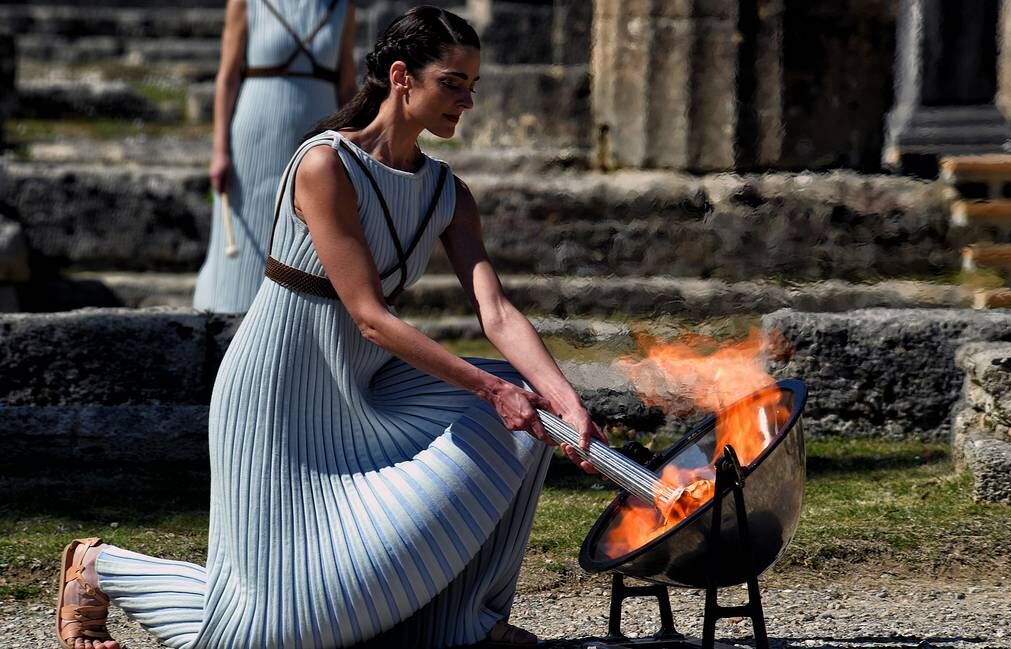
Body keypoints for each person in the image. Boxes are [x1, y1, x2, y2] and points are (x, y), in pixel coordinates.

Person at [55, 6, 606, 649]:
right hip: (277, 394)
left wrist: (564, 401)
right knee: (272, 629)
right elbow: (369, 318)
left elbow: (498, 313)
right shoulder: (325, 165)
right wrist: (493, 390)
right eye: (452, 83)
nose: (469, 100)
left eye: (472, 86)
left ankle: (458, 627)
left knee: (529, 418)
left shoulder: (450, 194)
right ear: (402, 77)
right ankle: (99, 569)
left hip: (364, 392)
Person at [193, 0, 357, 314]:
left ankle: (298, 322)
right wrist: (219, 150)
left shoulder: (341, 6)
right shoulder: (246, 2)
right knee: (248, 233)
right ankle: (227, 318)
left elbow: (346, 85)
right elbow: (227, 78)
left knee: (311, 231)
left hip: (318, 137)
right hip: (256, 132)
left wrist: (356, 145)